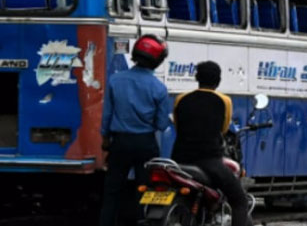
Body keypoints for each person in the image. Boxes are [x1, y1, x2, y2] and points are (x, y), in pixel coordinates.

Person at [100, 35, 171, 226]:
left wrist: (105, 138)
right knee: (147, 191)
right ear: (157, 60)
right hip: (146, 144)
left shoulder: (115, 80)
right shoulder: (160, 88)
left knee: (112, 191)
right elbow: (161, 125)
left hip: (120, 143)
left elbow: (107, 115)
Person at [172, 61, 253, 226]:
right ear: (218, 80)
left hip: (179, 158)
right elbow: (223, 129)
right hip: (208, 160)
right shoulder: (224, 101)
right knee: (239, 201)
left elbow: (178, 125)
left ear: (197, 78)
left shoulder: (181, 98)